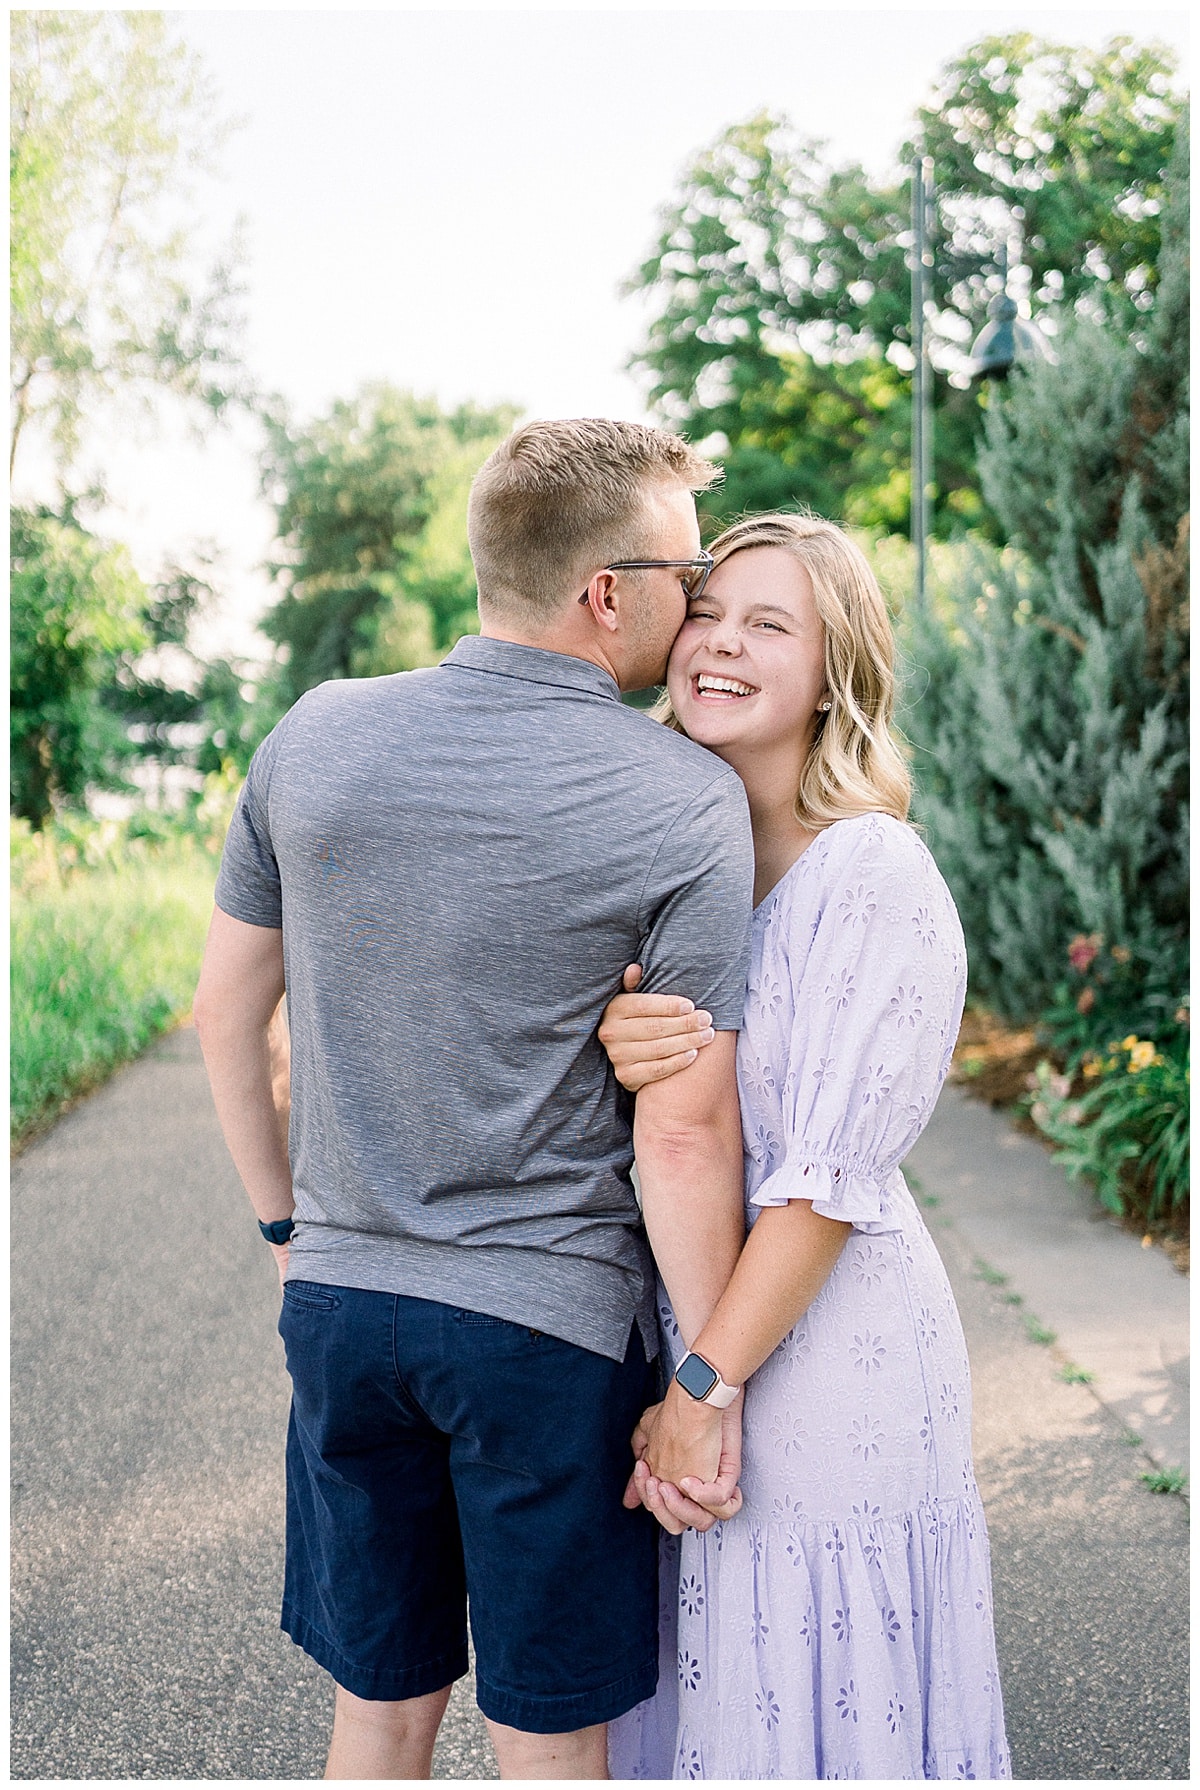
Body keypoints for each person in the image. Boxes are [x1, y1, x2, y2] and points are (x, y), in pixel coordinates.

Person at [193, 418, 758, 1781]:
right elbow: (683, 1129)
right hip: (544, 1336)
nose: (698, 607)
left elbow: (226, 1015)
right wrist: (708, 1378)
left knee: (379, 1718)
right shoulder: (682, 799)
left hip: (340, 1311)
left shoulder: (312, 737)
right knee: (546, 1739)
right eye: (686, 576)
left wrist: (289, 1233)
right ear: (605, 591)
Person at [601, 513, 1011, 1780]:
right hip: (694, 1327)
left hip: (833, 1355)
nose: (718, 643)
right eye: (709, 613)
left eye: (767, 624)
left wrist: (701, 1389)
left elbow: (824, 1184)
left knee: (822, 1695)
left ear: (837, 670)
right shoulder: (679, 869)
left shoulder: (876, 874)